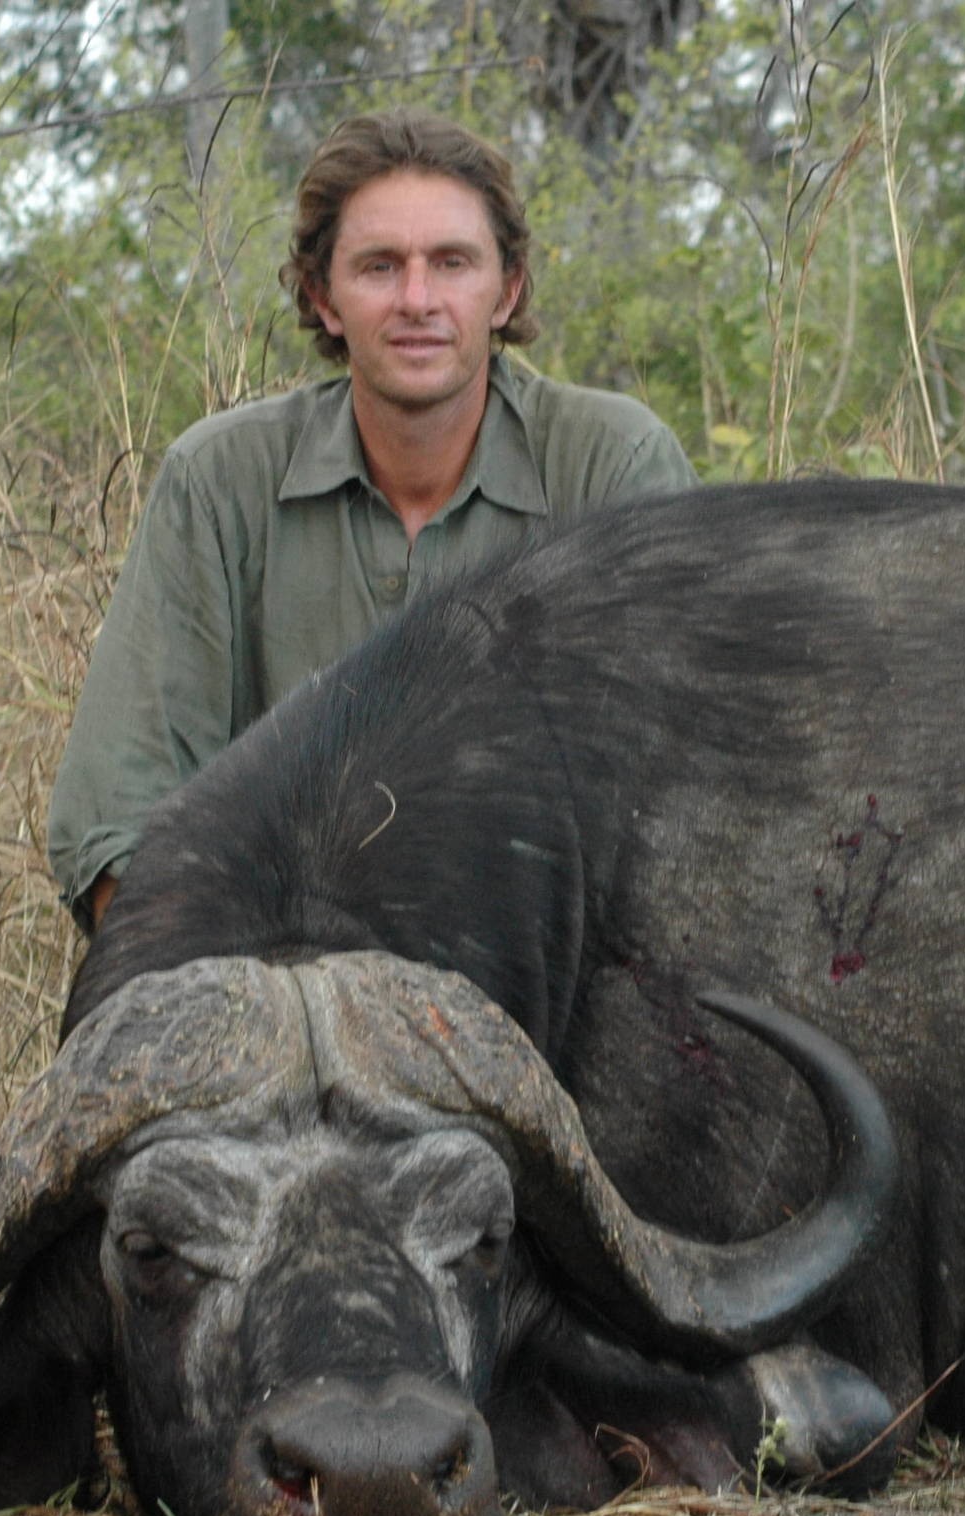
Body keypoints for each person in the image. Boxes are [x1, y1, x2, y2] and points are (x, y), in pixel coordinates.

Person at [45, 109, 697, 932]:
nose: (418, 300)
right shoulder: (218, 481)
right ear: (323, 298)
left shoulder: (614, 464)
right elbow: (114, 823)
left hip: (551, 976)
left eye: (453, 263)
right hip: (273, 972)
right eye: (380, 267)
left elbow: (683, 802)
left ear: (509, 290)